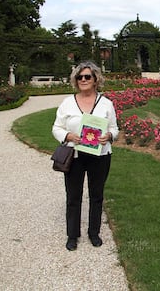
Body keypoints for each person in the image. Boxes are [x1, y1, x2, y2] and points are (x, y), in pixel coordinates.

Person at [52, 61, 119, 251]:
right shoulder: (67, 103)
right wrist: (67, 135)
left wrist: (110, 136)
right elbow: (56, 127)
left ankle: (94, 232)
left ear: (95, 79)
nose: (83, 80)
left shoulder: (106, 104)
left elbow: (114, 128)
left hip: (100, 155)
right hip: (75, 155)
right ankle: (72, 235)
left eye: (87, 76)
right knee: (73, 196)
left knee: (97, 195)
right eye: (79, 77)